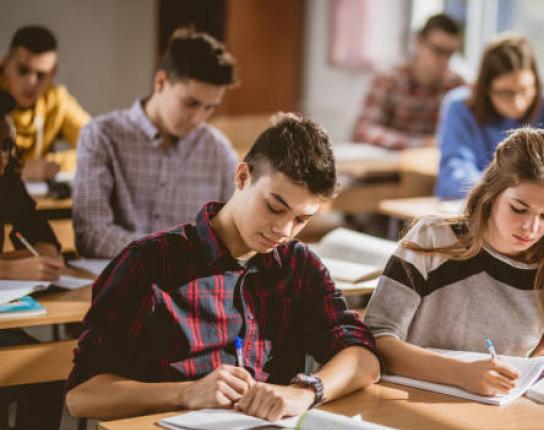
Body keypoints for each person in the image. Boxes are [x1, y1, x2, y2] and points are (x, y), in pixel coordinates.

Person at [65, 113, 380, 421]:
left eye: (301, 219)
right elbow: (82, 395)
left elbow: (363, 358)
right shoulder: (150, 262)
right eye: (274, 207)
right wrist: (185, 393)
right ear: (242, 177)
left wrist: (304, 391)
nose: (284, 230)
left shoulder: (298, 266)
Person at [365, 128, 544, 397]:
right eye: (519, 208)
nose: (531, 227)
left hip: (507, 407)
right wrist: (461, 374)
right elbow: (377, 337)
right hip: (418, 397)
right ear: (493, 193)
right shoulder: (434, 238)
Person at [73, 28, 240, 258]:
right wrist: (173, 252)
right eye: (191, 103)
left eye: (210, 108)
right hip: (120, 283)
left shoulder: (218, 150)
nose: (199, 118)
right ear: (161, 82)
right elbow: (91, 234)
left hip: (190, 286)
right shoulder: (101, 136)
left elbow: (236, 229)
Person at [434, 33, 544, 203]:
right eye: (506, 93)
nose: (518, 103)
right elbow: (453, 178)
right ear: (485, 89)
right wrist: (510, 193)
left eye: (526, 90)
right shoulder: (460, 108)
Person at [0, 91, 65, 430]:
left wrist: (46, 249)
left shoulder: (5, 181)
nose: (3, 157)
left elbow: (35, 225)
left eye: (8, 145)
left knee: (47, 373)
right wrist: (6, 267)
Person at [352, 13, 465, 149]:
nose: (444, 60)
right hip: (389, 165)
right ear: (418, 42)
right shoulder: (389, 79)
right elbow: (363, 131)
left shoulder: (456, 86)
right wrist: (421, 144)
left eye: (450, 53)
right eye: (438, 51)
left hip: (430, 167)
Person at [0, 25, 90, 181]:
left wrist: (51, 164)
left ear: (53, 73)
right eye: (22, 70)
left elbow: (100, 145)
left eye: (41, 75)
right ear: (5, 64)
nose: (31, 82)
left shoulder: (56, 100)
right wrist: (22, 169)